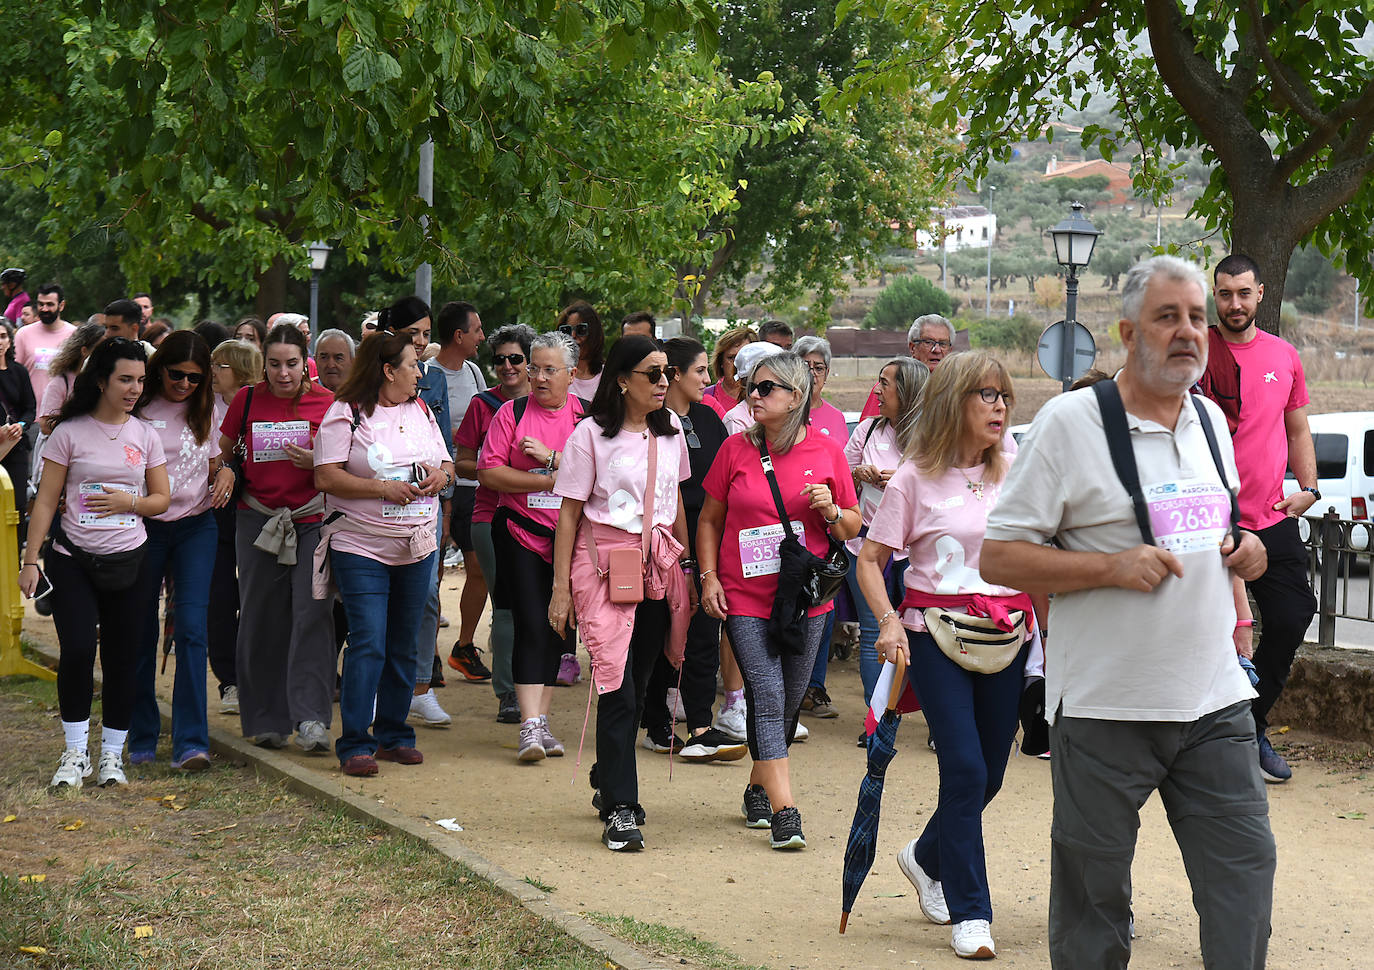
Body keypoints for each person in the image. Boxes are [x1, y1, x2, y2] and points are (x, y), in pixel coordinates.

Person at [980, 255, 1275, 970]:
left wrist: (1246, 548)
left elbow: (1215, 530)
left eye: (1197, 317)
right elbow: (999, 558)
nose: (1187, 332)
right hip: (1106, 710)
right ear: (1127, 331)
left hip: (1213, 702)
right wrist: (1107, 567)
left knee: (1245, 877)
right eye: (1166, 317)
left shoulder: (1208, 418)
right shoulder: (1068, 423)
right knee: (1093, 905)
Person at [856, 350, 1038, 961]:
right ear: (953, 402)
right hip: (933, 634)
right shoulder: (912, 477)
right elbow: (870, 560)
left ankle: (924, 855)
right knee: (963, 769)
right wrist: (888, 622)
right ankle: (972, 912)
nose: (998, 405)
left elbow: (1039, 553)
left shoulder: (1016, 470)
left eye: (1003, 396)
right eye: (985, 394)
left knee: (989, 772)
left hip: (1008, 636)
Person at [697, 351, 860, 849]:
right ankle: (787, 810)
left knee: (787, 701)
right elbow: (708, 519)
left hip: (806, 598)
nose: (754, 396)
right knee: (766, 696)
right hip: (744, 594)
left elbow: (853, 526)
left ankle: (757, 786)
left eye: (767, 388)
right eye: (751, 387)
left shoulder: (828, 451)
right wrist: (707, 578)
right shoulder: (735, 450)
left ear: (796, 396)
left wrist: (831, 510)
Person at [549, 335, 694, 851]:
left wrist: (687, 568)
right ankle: (621, 807)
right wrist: (561, 588)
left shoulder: (672, 429)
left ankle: (607, 777)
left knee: (640, 678)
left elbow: (673, 499)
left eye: (667, 372)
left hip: (656, 565)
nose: (663, 382)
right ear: (621, 380)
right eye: (652, 373)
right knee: (616, 684)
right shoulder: (589, 435)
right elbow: (568, 512)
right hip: (604, 566)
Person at [21, 337, 171, 788]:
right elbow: (46, 502)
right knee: (80, 651)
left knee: (124, 658)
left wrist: (132, 501)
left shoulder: (145, 434)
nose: (134, 388)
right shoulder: (68, 432)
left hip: (131, 561)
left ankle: (111, 757)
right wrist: (31, 561)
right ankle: (74, 754)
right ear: (101, 380)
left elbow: (162, 499)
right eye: (125, 379)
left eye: (140, 381)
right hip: (73, 561)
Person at [1197, 252, 1318, 784]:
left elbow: (1296, 429)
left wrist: (1309, 487)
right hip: (1206, 522)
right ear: (1214, 295)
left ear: (1260, 294)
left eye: (1244, 293)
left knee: (1294, 615)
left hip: (1269, 518)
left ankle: (1251, 723)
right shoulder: (1196, 353)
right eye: (1225, 294)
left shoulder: (1284, 355)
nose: (1234, 303)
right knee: (1207, 630)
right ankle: (1202, 740)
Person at [314, 331, 454, 777]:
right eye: (412, 364)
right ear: (388, 370)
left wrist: (440, 478)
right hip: (361, 544)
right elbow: (326, 477)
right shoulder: (346, 413)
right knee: (369, 640)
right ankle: (356, 742)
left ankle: (394, 735)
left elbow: (448, 464)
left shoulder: (421, 409)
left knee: (404, 640)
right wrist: (381, 488)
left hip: (417, 544)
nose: (419, 372)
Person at [213, 323, 336, 751]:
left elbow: (349, 462)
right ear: (263, 365)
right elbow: (222, 453)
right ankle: (265, 717)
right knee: (260, 616)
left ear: (306, 364)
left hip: (312, 520)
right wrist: (225, 468)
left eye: (292, 364)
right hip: (258, 519)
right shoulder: (247, 400)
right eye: (274, 364)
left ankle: (312, 718)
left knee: (312, 612)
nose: (283, 373)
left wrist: (318, 457)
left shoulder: (329, 403)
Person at [478, 331, 585, 763]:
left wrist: (552, 459)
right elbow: (490, 473)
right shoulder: (512, 411)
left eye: (549, 370)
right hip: (520, 530)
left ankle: (542, 721)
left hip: (571, 538)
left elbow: (599, 473)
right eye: (533, 368)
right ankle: (529, 724)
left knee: (558, 627)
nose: (538, 378)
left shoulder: (588, 418)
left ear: (572, 375)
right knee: (528, 622)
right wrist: (547, 480)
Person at [647, 337, 745, 763]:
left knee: (705, 629)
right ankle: (656, 722)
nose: (709, 378)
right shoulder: (649, 422)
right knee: (659, 633)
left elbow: (723, 483)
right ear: (673, 375)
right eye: (701, 370)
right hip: (662, 543)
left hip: (707, 540)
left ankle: (701, 725)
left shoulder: (709, 418)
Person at [127, 332, 222, 770]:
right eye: (176, 374)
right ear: (158, 367)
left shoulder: (207, 408)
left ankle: (191, 742)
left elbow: (216, 461)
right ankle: (141, 733)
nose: (184, 384)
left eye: (194, 378)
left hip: (195, 526)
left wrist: (228, 475)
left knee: (192, 629)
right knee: (140, 630)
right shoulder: (137, 406)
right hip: (144, 526)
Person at [378, 297, 460, 720]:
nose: (423, 343)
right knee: (377, 601)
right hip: (375, 516)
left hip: (424, 513)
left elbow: (445, 449)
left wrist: (444, 498)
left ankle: (421, 686)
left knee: (427, 596)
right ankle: (378, 686)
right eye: (414, 335)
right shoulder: (369, 378)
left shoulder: (434, 379)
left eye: (427, 334)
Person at [454, 323, 534, 723]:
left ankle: (536, 685)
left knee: (536, 606)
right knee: (506, 606)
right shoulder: (482, 405)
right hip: (491, 514)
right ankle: (508, 693)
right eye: (499, 359)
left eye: (515, 358)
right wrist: (494, 462)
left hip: (546, 517)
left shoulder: (557, 405)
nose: (506, 366)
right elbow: (462, 462)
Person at [845, 357, 927, 710]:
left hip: (917, 552)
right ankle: (877, 717)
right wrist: (858, 474)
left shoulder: (934, 437)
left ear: (907, 391)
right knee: (873, 631)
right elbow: (840, 480)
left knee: (925, 634)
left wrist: (907, 481)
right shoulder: (866, 430)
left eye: (885, 383)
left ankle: (933, 717)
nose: (877, 390)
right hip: (866, 543)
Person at [425, 300, 492, 684]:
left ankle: (464, 646)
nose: (482, 336)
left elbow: (483, 419)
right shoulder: (425, 374)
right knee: (430, 573)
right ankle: (427, 651)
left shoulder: (472, 371)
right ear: (459, 335)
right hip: (433, 486)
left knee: (478, 568)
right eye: (478, 330)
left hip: (470, 482)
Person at [793, 335, 854, 719]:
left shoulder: (835, 419)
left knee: (824, 609)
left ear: (827, 375)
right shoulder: (783, 414)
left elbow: (845, 479)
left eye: (819, 367)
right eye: (807, 366)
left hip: (830, 530)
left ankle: (814, 686)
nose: (813, 373)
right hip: (790, 532)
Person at [206, 338, 262, 715]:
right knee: (220, 596)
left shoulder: (260, 404)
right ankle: (229, 680)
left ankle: (260, 674)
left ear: (241, 370)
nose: (212, 372)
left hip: (257, 508)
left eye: (221, 365)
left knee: (259, 597)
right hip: (213, 509)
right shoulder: (201, 407)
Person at [860, 314, 955, 418]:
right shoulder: (888, 387)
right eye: (928, 342)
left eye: (943, 344)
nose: (936, 350)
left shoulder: (958, 389)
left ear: (950, 350)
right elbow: (868, 430)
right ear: (912, 347)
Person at [15, 283, 75, 405]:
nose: (44, 309)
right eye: (41, 304)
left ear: (61, 305)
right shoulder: (23, 334)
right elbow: (13, 375)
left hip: (64, 414)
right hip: (30, 415)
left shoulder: (75, 335)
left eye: (50, 304)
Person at [0, 322, 37, 516]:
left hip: (14, 444)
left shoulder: (19, 372)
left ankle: (14, 546)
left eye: (3, 336)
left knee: (17, 504)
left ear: (9, 341)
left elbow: (30, 408)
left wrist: (21, 426)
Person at [559, 301, 606, 403]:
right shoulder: (553, 375)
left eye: (581, 330)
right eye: (566, 330)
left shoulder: (608, 377)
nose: (573, 335)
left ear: (594, 333)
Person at [703, 326, 756, 417]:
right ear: (721, 362)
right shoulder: (704, 397)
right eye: (731, 358)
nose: (737, 364)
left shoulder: (762, 399)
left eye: (743, 358)